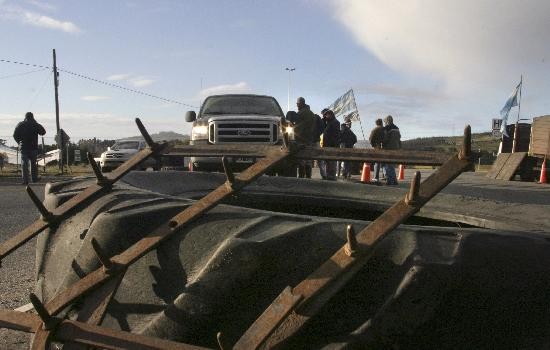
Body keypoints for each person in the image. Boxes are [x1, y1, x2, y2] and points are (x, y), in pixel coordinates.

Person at [13, 112, 46, 184]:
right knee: (33, 164)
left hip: (24, 147)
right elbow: (43, 132)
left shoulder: (20, 124)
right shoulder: (35, 124)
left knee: (24, 164)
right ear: (33, 117)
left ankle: (25, 181)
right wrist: (37, 123)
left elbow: (15, 135)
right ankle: (34, 179)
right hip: (33, 147)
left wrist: (19, 142)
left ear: (25, 117)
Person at [294, 97, 316, 178]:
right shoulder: (312, 113)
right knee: (308, 160)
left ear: (301, 103)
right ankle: (308, 177)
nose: (297, 105)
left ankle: (301, 177)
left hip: (301, 139)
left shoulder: (300, 113)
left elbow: (297, 127)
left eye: (297, 103)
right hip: (310, 139)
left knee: (302, 159)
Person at [320, 108, 340, 180]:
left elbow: (334, 135)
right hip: (328, 145)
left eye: (326, 115)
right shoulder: (329, 123)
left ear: (331, 115)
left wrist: (332, 145)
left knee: (332, 162)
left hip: (331, 146)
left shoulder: (335, 122)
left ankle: (332, 176)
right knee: (328, 162)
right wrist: (324, 120)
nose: (325, 116)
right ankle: (329, 175)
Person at [382, 115, 401, 185]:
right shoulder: (397, 128)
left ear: (387, 121)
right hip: (396, 148)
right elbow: (399, 138)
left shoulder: (386, 128)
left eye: (385, 122)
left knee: (387, 165)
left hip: (388, 148)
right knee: (391, 165)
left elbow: (385, 139)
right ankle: (394, 180)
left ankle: (390, 180)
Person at [369, 118, 385, 182]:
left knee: (377, 162)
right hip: (384, 147)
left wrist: (373, 145)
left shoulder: (375, 129)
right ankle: (384, 176)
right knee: (384, 162)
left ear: (376, 123)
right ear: (381, 123)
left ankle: (376, 177)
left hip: (377, 146)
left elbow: (370, 139)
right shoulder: (384, 129)